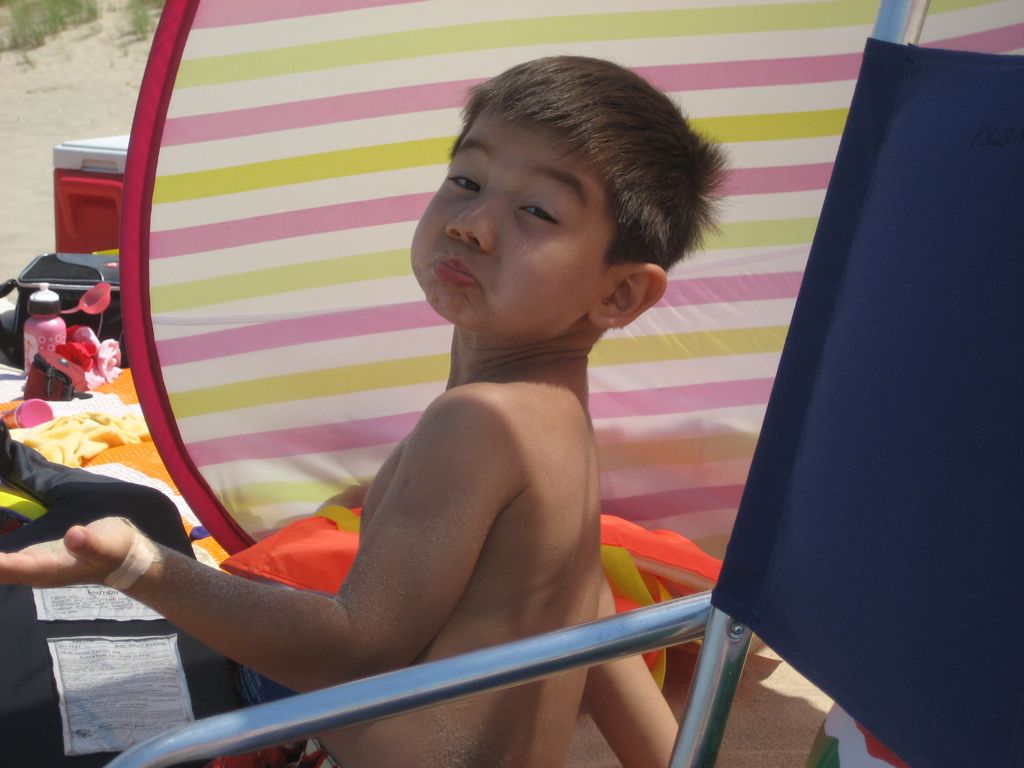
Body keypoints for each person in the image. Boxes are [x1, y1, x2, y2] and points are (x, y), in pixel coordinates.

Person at [0, 55, 725, 767]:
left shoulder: (480, 422)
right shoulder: (558, 422)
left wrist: (139, 569)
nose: (472, 224)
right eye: (467, 180)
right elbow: (591, 622)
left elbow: (353, 647)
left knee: (112, 565)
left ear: (620, 295)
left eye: (536, 211)